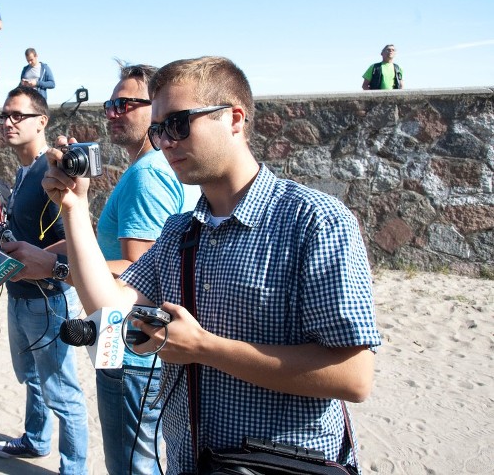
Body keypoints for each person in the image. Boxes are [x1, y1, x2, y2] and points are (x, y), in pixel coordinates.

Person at [43, 56, 381, 475]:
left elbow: (353, 376)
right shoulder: (181, 231)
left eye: (179, 123)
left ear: (234, 119)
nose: (166, 141)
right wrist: (75, 209)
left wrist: (203, 348)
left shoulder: (314, 221)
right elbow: (109, 307)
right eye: (159, 128)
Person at [3, 64, 201, 473]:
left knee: (131, 466)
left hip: (131, 348)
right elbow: (115, 249)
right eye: (111, 104)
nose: (113, 112)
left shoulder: (146, 176)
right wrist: (61, 242)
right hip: (140, 345)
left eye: (126, 104)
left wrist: (53, 265)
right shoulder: (156, 168)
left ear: (157, 110)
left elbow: (137, 268)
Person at [0, 86, 88, 473]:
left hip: (49, 299)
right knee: (31, 378)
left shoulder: (52, 171)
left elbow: (79, 236)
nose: (9, 122)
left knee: (63, 393)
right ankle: (35, 439)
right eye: (5, 116)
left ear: (42, 121)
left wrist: (41, 260)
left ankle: (74, 468)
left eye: (19, 115)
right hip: (21, 295)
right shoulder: (23, 171)